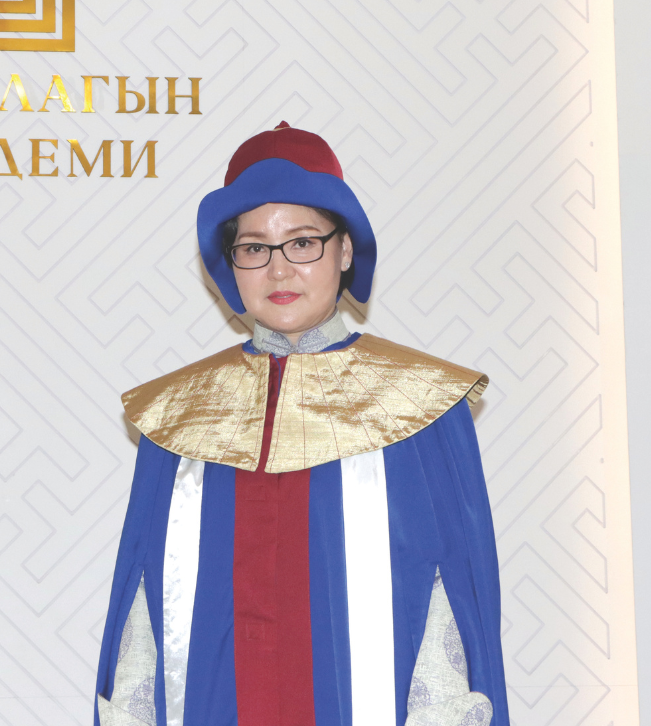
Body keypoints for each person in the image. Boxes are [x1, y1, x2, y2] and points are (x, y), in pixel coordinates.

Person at [94, 123, 508, 726]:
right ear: (231, 263)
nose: (279, 270)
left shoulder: (421, 406)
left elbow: (453, 611)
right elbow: (143, 614)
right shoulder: (178, 416)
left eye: (303, 242)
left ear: (345, 251)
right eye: (254, 248)